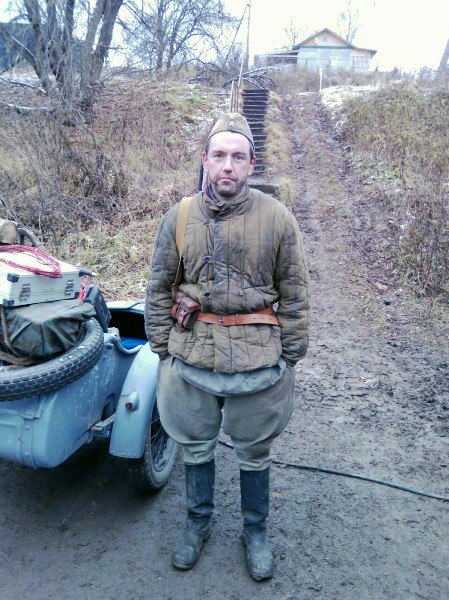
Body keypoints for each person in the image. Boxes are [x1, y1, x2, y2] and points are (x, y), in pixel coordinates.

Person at [145, 112, 310, 581]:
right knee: (196, 446)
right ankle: (197, 524)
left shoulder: (277, 219)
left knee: (254, 450)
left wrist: (290, 353)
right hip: (191, 353)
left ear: (252, 164)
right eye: (219, 155)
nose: (228, 166)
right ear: (205, 160)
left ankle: (255, 531)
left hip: (258, 359)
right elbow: (158, 285)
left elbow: (295, 291)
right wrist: (162, 346)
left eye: (238, 157)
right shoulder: (178, 217)